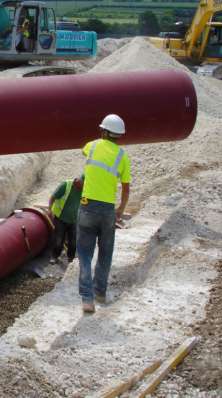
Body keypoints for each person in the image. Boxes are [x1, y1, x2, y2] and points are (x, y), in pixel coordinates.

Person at [77, 114, 130, 313]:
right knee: (105, 253)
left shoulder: (94, 145)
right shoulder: (123, 156)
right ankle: (100, 292)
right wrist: (121, 210)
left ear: (105, 132)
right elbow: (126, 188)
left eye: (102, 130)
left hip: (88, 206)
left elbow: (84, 151)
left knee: (84, 254)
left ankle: (87, 299)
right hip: (108, 210)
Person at [48, 174, 85, 264]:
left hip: (74, 219)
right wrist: (49, 210)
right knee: (59, 238)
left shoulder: (83, 190)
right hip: (61, 217)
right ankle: (55, 256)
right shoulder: (66, 185)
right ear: (80, 182)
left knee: (73, 240)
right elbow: (53, 197)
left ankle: (71, 257)